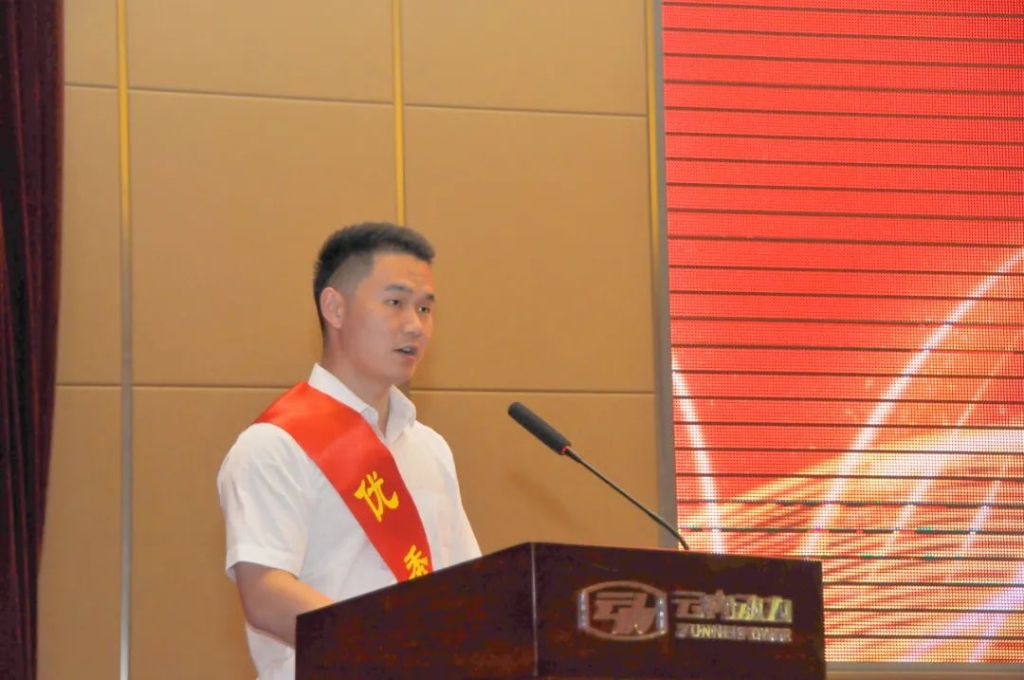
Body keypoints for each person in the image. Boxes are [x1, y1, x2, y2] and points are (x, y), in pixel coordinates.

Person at [217, 222, 481, 680]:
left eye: (425, 308)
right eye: (395, 303)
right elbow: (265, 595)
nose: (415, 325)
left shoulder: (430, 449)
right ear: (335, 308)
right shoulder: (275, 445)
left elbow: (470, 589)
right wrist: (401, 649)